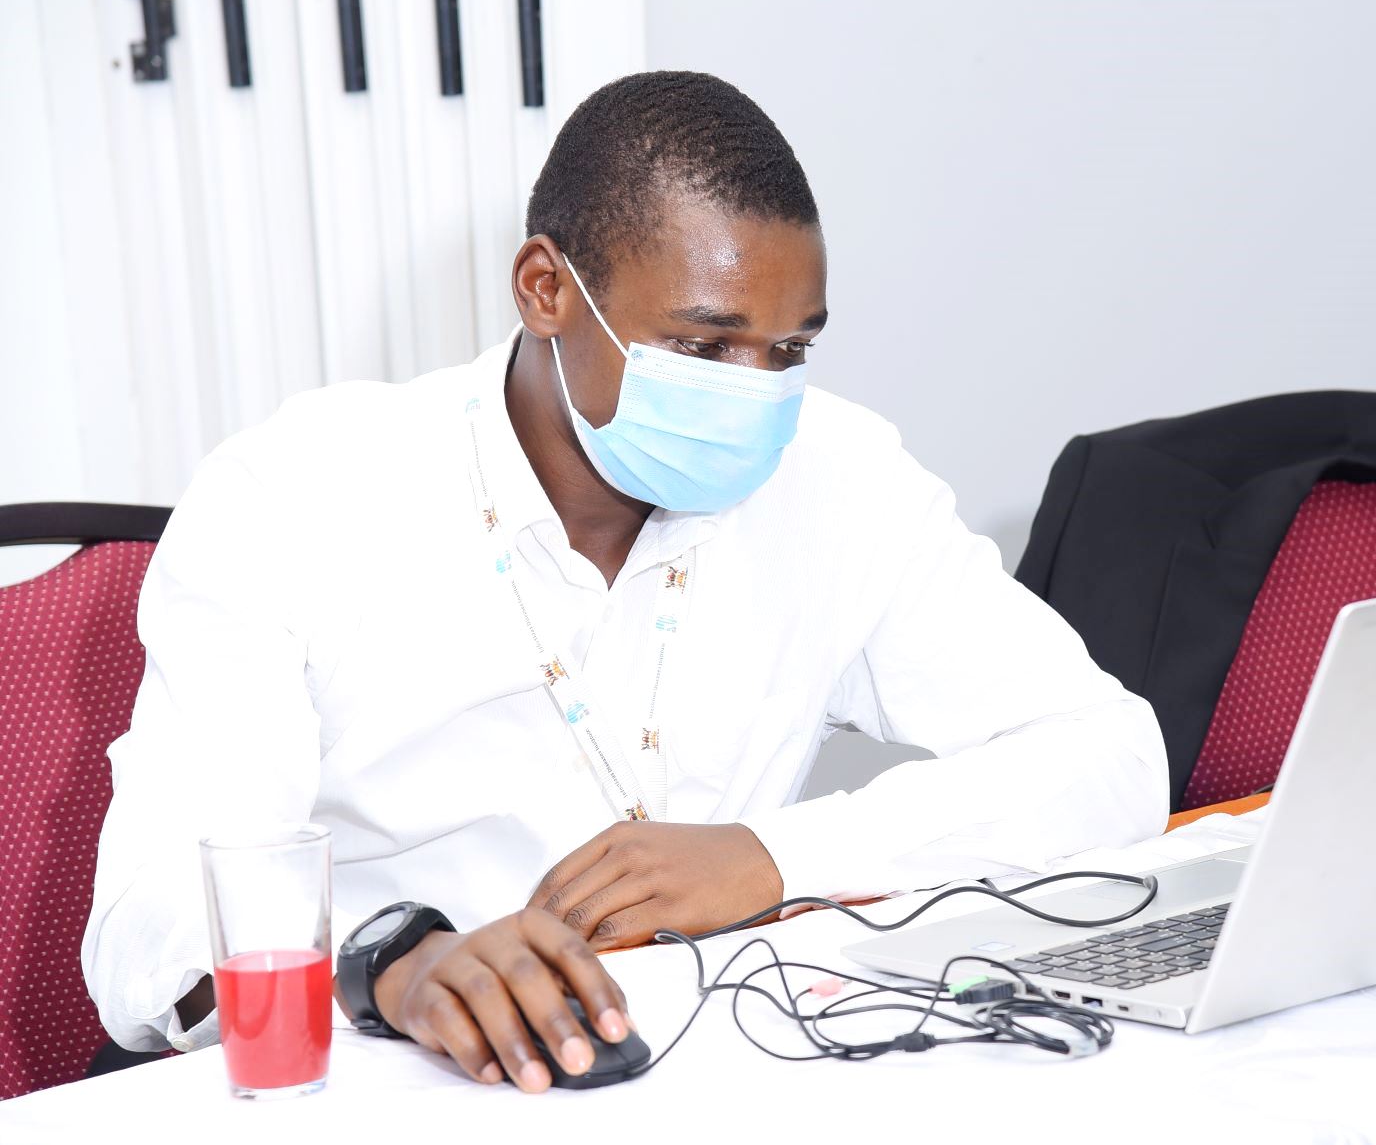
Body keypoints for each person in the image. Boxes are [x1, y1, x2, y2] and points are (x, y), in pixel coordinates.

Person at [82, 71, 1167, 1093]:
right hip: (380, 1076)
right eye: (705, 344)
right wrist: (394, 968)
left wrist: (773, 856)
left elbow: (1109, 755)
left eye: (789, 352)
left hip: (689, 1064)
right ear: (547, 289)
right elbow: (148, 918)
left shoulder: (839, 476)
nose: (756, 395)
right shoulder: (300, 491)